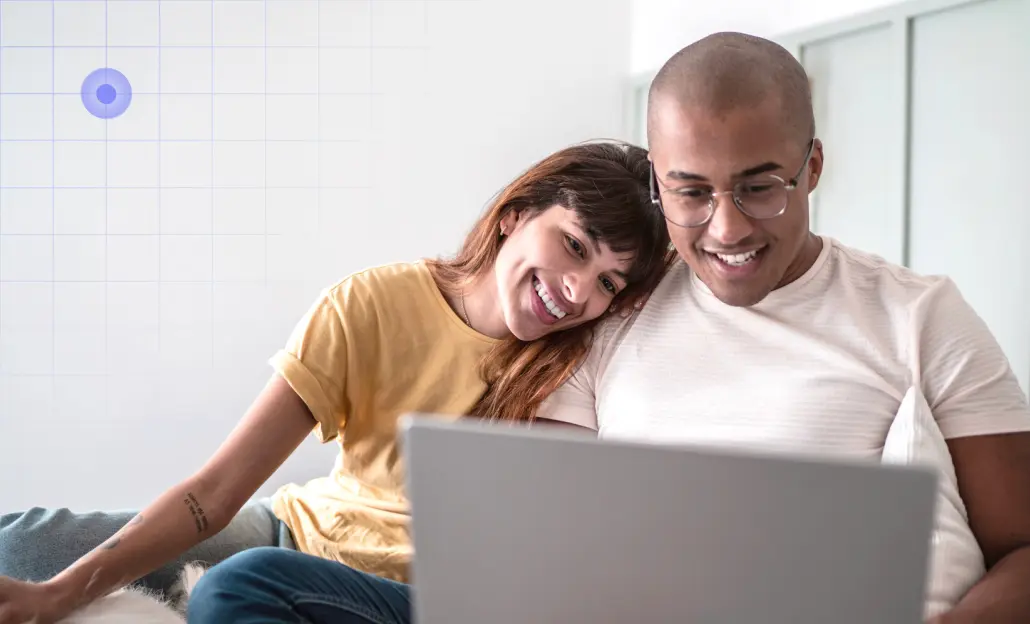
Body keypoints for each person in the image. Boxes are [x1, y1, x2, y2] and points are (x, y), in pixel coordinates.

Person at [187, 31, 1030, 624]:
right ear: (659, 188)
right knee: (247, 586)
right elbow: (541, 537)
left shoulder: (921, 316)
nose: (728, 228)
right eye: (693, 192)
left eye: (761, 185)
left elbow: (1022, 551)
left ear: (812, 166)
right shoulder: (617, 313)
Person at [0, 140, 672, 624]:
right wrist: (57, 593)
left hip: (398, 588)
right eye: (575, 246)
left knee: (232, 591)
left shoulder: (576, 363)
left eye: (608, 283)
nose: (578, 290)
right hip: (297, 529)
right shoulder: (368, 303)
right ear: (515, 216)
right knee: (22, 541)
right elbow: (216, 491)